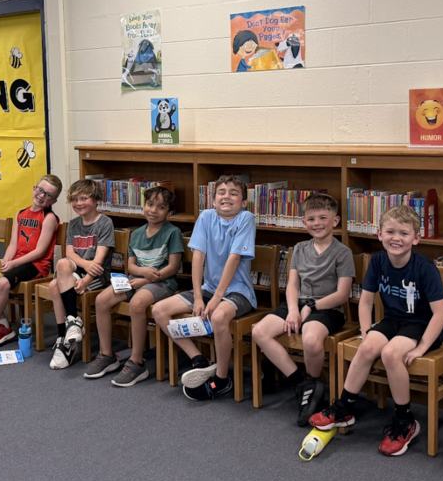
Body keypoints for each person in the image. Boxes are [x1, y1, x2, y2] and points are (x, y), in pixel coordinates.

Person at [310, 205, 443, 457]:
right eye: (391, 231)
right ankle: (343, 408)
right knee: (368, 347)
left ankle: (405, 420)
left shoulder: (425, 268)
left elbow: (440, 314)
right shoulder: (377, 261)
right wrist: (366, 332)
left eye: (404, 233)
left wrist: (421, 348)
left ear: (416, 238)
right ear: (379, 234)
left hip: (423, 326)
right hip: (394, 320)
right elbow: (365, 301)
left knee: (391, 354)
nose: (396, 238)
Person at [251, 193, 354, 425]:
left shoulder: (342, 253)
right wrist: (293, 310)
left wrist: (311, 306)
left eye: (322, 218)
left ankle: (312, 379)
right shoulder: (299, 248)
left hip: (327, 309)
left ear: (335, 221)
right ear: (303, 221)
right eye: (310, 219)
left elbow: (342, 294)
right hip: (296, 305)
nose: (316, 223)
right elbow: (293, 284)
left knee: (310, 338)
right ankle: (305, 385)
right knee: (259, 331)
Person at [151, 175, 256, 401]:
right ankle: (199, 360)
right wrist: (198, 296)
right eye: (222, 192)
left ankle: (222, 378)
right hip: (208, 289)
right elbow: (198, 256)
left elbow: (234, 258)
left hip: (238, 292)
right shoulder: (206, 217)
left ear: (244, 202)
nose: (226, 196)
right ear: (213, 199)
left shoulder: (246, 218)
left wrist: (217, 298)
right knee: (159, 310)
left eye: (234, 193)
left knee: (218, 318)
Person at [86, 186, 184, 387]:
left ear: (169, 212)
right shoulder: (136, 234)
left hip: (163, 283)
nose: (153, 210)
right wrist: (141, 275)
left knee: (137, 304)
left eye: (161, 207)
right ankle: (107, 354)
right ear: (143, 206)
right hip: (136, 279)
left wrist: (147, 279)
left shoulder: (173, 232)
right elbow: (130, 265)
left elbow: (173, 268)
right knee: (102, 299)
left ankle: (137, 361)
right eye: (150, 204)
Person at [0, 174, 61, 347]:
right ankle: (2, 324)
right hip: (17, 262)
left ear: (53, 201)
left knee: (2, 283)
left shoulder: (49, 218)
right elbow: (13, 244)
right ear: (34, 188)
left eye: (48, 195)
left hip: (36, 265)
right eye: (41, 190)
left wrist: (13, 264)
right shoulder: (21, 213)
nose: (42, 196)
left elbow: (39, 251)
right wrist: (6, 260)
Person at [48, 179, 115, 369]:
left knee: (54, 286)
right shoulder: (74, 224)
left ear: (96, 200)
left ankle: (64, 340)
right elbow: (69, 253)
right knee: (62, 263)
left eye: (84, 198)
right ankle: (72, 323)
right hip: (78, 271)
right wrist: (86, 265)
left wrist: (86, 279)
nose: (79, 203)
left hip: (97, 277)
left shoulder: (105, 223)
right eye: (75, 199)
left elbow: (99, 262)